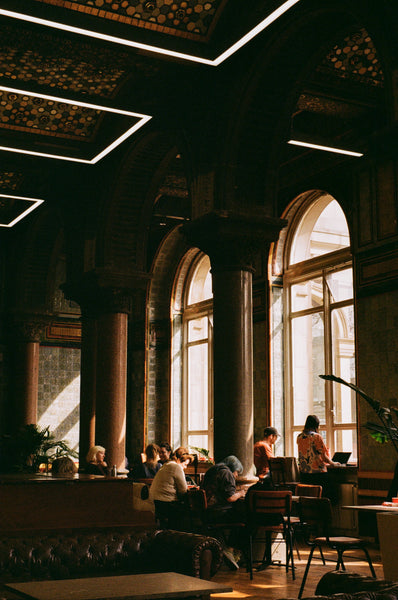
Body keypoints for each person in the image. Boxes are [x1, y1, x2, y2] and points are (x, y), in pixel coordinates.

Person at [201, 455, 246, 569]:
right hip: (218, 513)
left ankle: (231, 550)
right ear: (233, 468)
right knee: (245, 517)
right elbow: (230, 498)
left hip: (206, 513)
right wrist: (241, 493)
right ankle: (231, 549)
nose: (236, 476)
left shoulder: (213, 470)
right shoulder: (227, 473)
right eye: (237, 472)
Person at [297, 414, 340, 501]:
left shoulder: (299, 437)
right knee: (330, 495)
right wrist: (332, 463)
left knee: (309, 499)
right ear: (316, 425)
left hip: (304, 474)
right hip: (318, 474)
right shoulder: (316, 437)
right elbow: (323, 456)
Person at [149, 446, 193, 529]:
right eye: (185, 464)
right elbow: (183, 491)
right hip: (166, 504)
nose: (185, 467)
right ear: (179, 460)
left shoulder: (166, 465)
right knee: (189, 513)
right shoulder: (176, 467)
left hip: (155, 502)